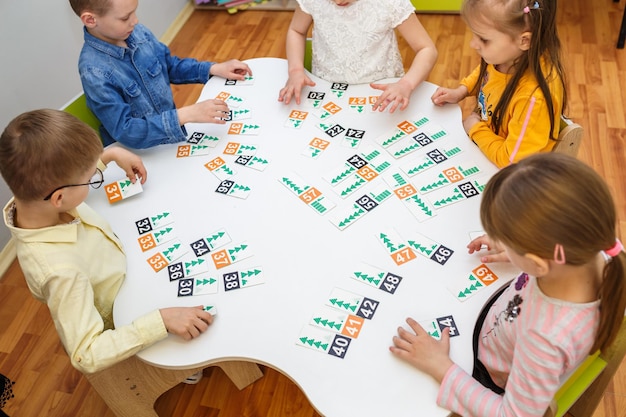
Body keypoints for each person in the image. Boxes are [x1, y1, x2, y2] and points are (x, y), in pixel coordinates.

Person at [390, 152, 626, 416]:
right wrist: (515, 247)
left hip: (489, 374)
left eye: (509, 242)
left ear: (539, 264)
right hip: (502, 325)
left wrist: (441, 366)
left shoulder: (544, 339)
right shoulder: (593, 249)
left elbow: (512, 414)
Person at [0, 109, 214, 374]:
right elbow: (86, 354)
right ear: (59, 199)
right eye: (91, 179)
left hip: (128, 264)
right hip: (128, 310)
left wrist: (109, 156)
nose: (94, 180)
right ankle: (176, 373)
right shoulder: (61, 273)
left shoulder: (35, 204)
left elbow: (68, 183)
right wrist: (161, 322)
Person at [68, 0, 252, 149]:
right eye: (125, 18)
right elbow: (126, 131)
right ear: (91, 20)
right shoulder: (94, 72)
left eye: (134, 12)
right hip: (138, 155)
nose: (135, 21)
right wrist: (185, 115)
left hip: (169, 139)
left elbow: (169, 65)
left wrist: (212, 69)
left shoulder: (137, 33)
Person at [431, 0, 567, 168]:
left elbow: (512, 161)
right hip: (488, 145)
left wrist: (475, 129)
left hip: (511, 172)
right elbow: (487, 74)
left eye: (483, 39)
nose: (472, 44)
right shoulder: (506, 57)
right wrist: (462, 90)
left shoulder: (533, 99)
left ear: (524, 41)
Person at [277, 0, 438, 113]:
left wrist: (406, 85)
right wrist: (296, 70)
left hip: (382, 95)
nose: (338, 2)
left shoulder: (390, 3)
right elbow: (296, 31)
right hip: (327, 93)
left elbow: (427, 49)